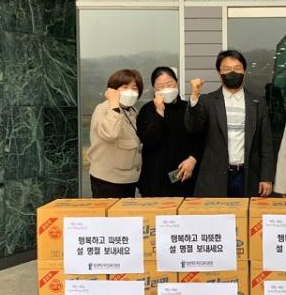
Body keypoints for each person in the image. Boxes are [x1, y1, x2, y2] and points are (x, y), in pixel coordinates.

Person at [185, 50, 275, 198]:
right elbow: (193, 127)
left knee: (245, 213)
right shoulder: (208, 101)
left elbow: (266, 144)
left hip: (247, 176)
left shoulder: (258, 103)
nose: (232, 72)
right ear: (219, 74)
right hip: (215, 176)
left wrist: (266, 177)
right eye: (227, 69)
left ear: (244, 71)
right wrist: (194, 97)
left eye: (237, 68)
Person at [136, 66, 202, 197]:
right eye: (160, 86)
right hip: (155, 177)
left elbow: (200, 136)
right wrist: (159, 112)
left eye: (169, 84)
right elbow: (148, 139)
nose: (165, 88)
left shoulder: (187, 108)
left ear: (176, 83)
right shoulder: (147, 110)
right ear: (154, 88)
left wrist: (193, 159)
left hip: (185, 174)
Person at [86, 69, 143, 198]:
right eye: (125, 87)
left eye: (134, 88)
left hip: (129, 179)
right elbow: (110, 134)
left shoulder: (132, 111)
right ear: (113, 90)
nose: (130, 92)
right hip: (108, 179)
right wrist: (113, 104)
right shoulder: (103, 109)